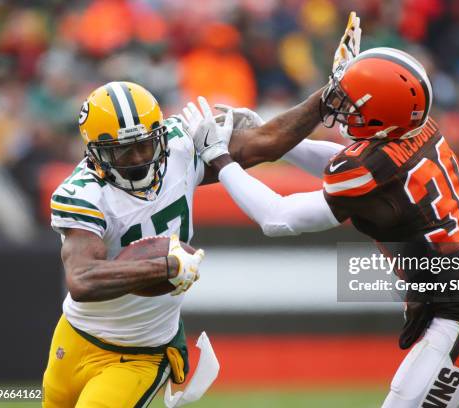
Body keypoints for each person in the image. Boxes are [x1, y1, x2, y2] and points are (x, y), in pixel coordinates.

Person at [184, 42, 459, 408]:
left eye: (351, 102)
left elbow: (277, 217)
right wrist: (270, 135)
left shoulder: (370, 167)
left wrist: (221, 159)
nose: (342, 107)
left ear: (383, 113)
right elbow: (350, 168)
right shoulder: (416, 129)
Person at [42, 78, 328, 407]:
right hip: (76, 333)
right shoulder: (84, 193)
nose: (138, 158)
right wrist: (166, 267)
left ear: (160, 134)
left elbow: (269, 141)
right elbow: (82, 279)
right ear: (95, 153)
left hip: (141, 351)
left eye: (145, 145)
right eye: (123, 150)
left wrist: (329, 94)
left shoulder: (180, 146)